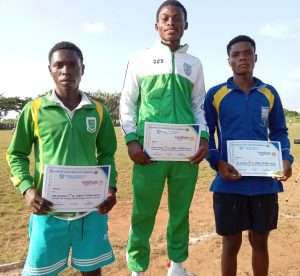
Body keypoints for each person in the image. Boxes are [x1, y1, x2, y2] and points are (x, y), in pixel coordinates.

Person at [6, 41, 118, 276]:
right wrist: (27, 189)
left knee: (91, 271)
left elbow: (107, 153)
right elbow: (16, 154)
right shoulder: (34, 109)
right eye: (59, 65)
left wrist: (110, 187)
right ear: (50, 70)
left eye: (72, 64)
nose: (66, 70)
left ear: (82, 69)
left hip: (90, 210)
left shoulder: (98, 110)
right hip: (48, 210)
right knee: (41, 272)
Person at [120, 1, 208, 275]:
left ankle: (177, 266)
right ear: (156, 25)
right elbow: (127, 102)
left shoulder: (194, 64)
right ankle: (137, 268)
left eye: (177, 19)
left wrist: (203, 137)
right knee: (143, 213)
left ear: (185, 25)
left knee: (180, 212)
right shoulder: (140, 59)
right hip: (149, 154)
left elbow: (198, 105)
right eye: (165, 18)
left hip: (185, 154)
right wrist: (132, 140)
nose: (171, 23)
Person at [204, 35, 294, 276]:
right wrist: (217, 162)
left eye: (247, 53)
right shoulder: (216, 94)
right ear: (229, 61)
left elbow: (279, 131)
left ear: (256, 57)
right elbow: (206, 134)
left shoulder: (269, 93)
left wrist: (286, 158)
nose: (242, 57)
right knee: (231, 243)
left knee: (260, 241)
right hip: (229, 182)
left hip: (264, 182)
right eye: (236, 54)